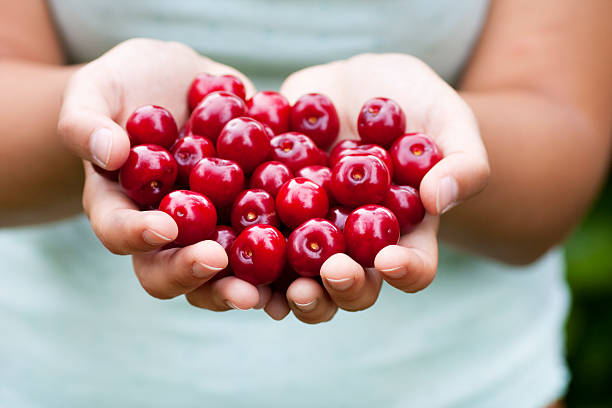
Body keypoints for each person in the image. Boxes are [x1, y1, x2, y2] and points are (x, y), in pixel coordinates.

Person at [1, 0, 610, 406]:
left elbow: (561, 153)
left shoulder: (346, 182)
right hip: (69, 381)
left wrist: (434, 153)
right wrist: (97, 126)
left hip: (458, 386)